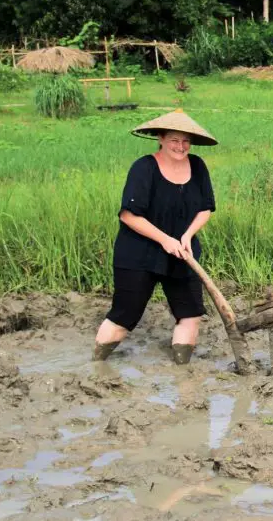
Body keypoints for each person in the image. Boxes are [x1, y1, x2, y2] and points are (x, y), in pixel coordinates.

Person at [92, 109, 218, 365]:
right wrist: (165, 239)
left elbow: (206, 208)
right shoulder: (144, 168)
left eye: (185, 141)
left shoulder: (198, 166)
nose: (180, 146)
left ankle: (182, 372)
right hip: (139, 254)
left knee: (191, 314)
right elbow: (129, 215)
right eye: (174, 140)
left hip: (183, 253)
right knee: (123, 318)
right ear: (160, 138)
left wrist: (187, 235)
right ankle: (96, 366)